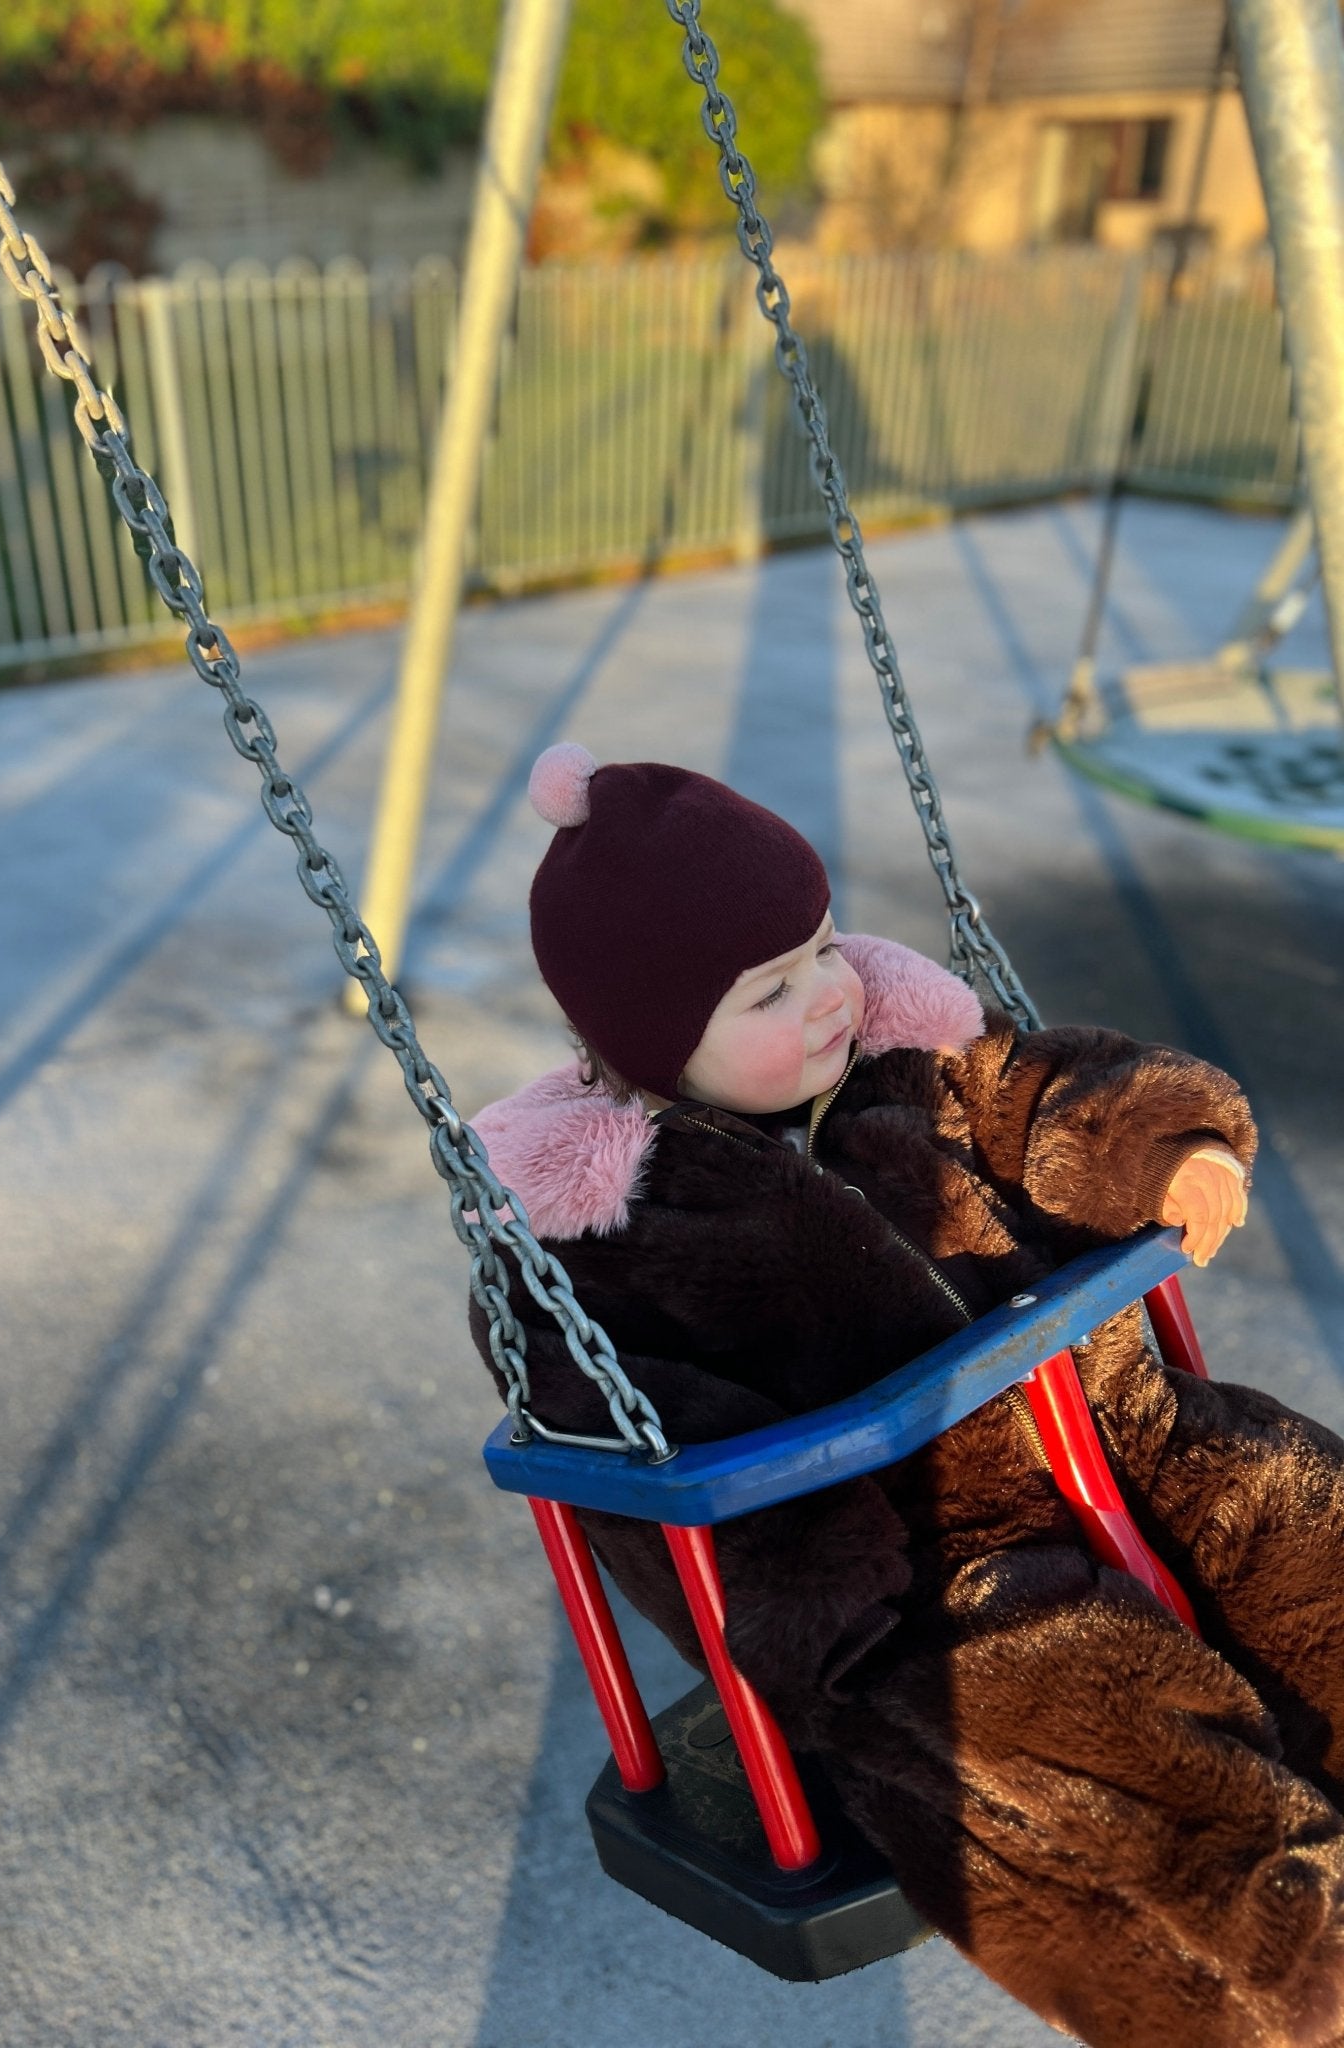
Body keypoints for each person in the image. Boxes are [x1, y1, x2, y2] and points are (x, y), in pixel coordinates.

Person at [468, 742, 1344, 2048]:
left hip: (1126, 1435)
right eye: (772, 989)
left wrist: (1166, 1146)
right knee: (1089, 1746)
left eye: (824, 946)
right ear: (654, 1038)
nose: (832, 993)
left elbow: (1047, 1095)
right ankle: (1297, 1974)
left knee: (1301, 1517)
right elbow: (643, 1452)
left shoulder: (905, 1065)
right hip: (922, 1567)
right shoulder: (610, 1242)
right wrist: (839, 1620)